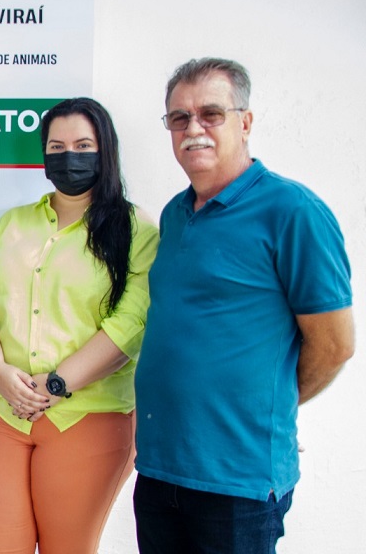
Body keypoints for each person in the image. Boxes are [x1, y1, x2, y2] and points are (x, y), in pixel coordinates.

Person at [133, 57, 355, 553]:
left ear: (245, 122)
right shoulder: (174, 214)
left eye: (211, 114)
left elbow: (335, 345)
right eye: (179, 118)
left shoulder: (292, 212)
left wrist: (270, 409)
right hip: (160, 469)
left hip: (238, 483)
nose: (194, 129)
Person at [0, 97, 159, 554]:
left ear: (105, 151)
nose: (69, 157)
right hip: (6, 410)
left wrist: (58, 384)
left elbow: (132, 321)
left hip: (88, 416)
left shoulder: (136, 229)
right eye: (57, 147)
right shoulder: (12, 224)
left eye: (83, 146)